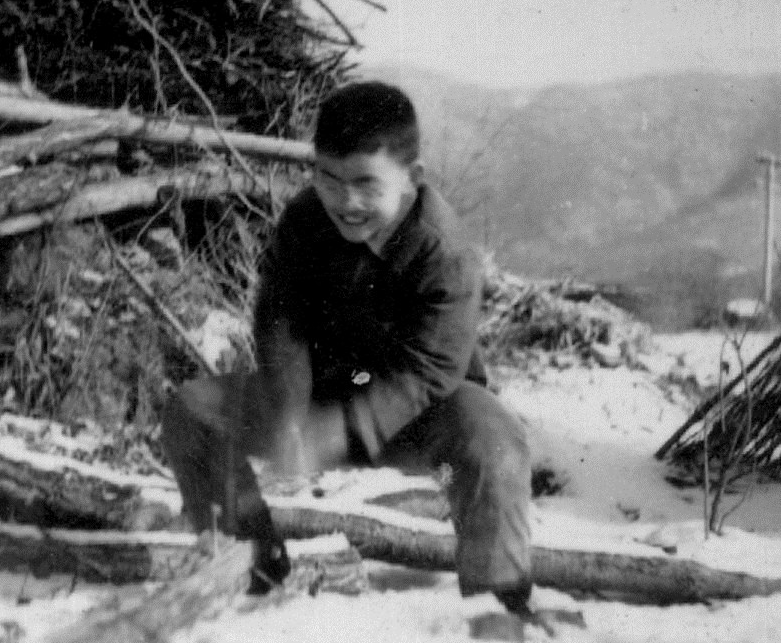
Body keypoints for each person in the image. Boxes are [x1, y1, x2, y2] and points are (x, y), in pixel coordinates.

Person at [161, 81, 535, 613]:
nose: (346, 201)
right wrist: (292, 414)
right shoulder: (306, 220)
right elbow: (280, 317)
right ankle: (248, 558)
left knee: (495, 442)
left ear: (414, 179)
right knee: (193, 411)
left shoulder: (445, 253)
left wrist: (343, 431)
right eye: (329, 179)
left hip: (419, 411)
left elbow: (431, 370)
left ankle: (500, 603)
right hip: (324, 389)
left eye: (366, 183)